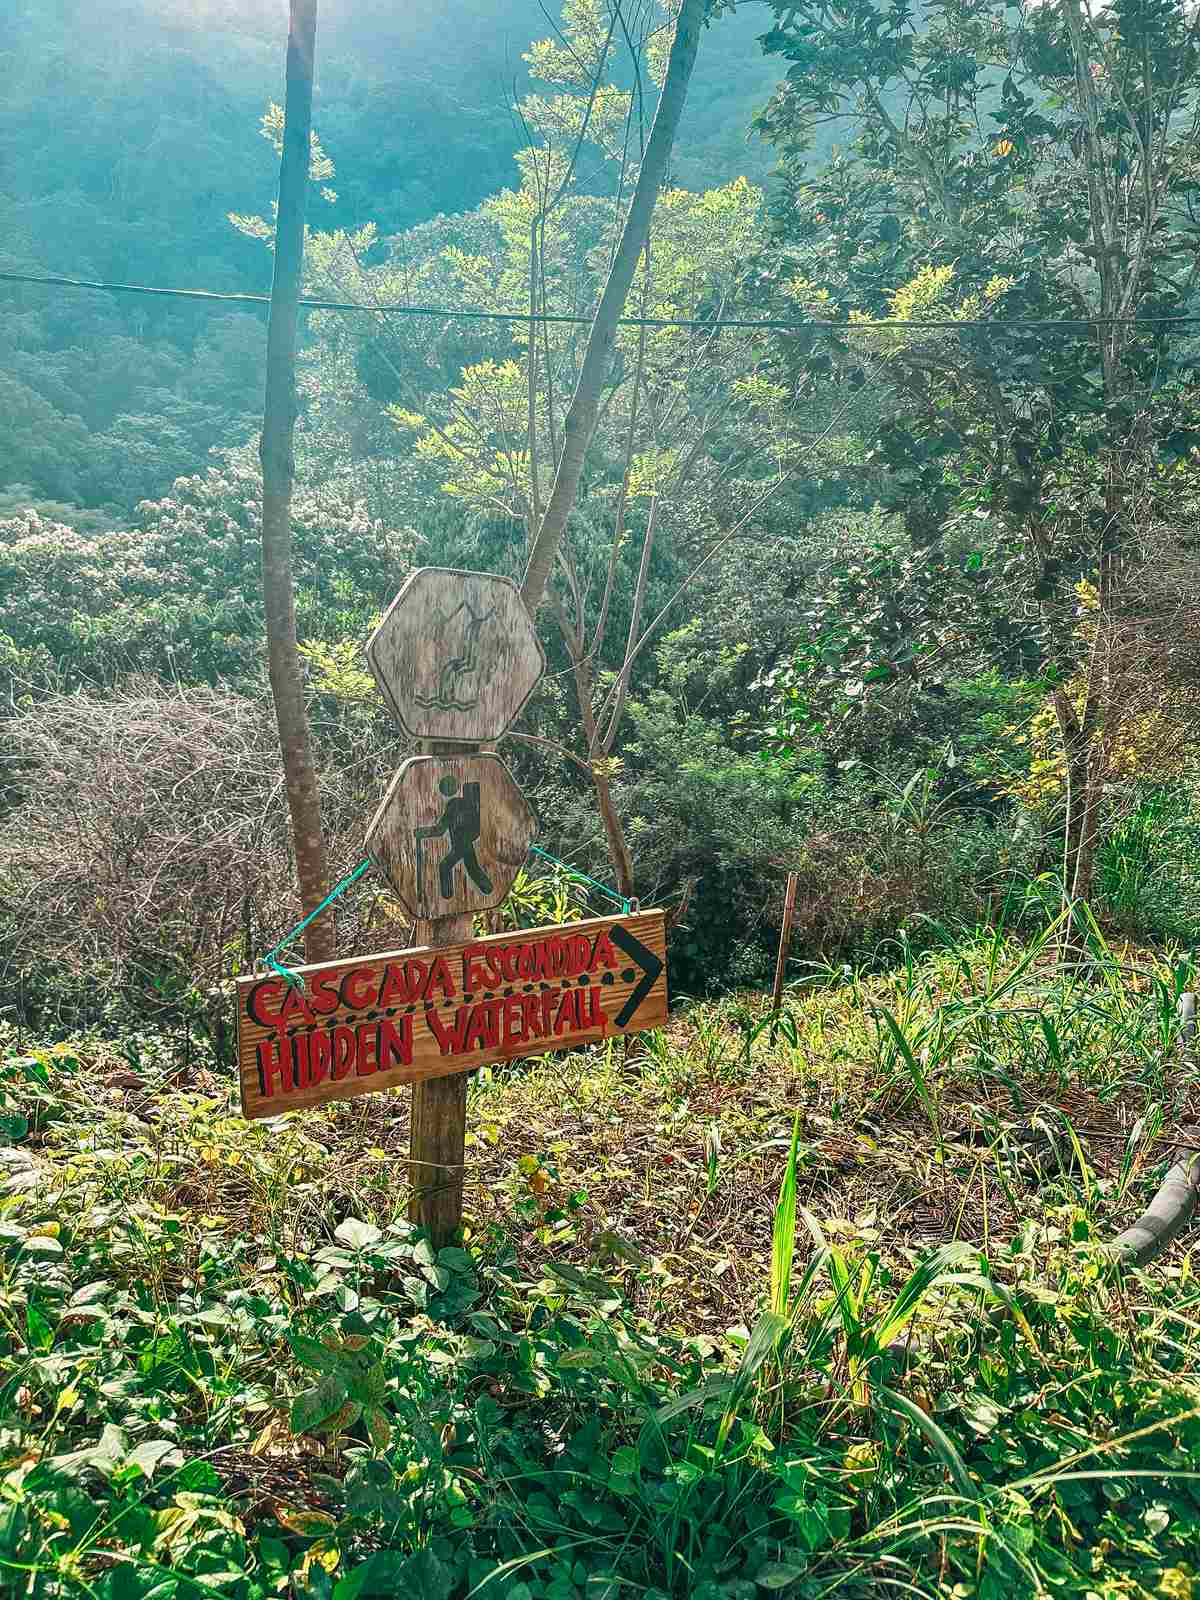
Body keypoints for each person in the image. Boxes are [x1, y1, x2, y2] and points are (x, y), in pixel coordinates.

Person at [415, 775, 493, 899]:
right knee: (471, 868)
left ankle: (448, 898)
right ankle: (486, 890)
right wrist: (422, 832)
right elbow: (441, 829)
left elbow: (441, 830)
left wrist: (422, 832)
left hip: (462, 844)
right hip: (463, 844)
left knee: (447, 867)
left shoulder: (467, 808)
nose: (474, 799)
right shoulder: (457, 805)